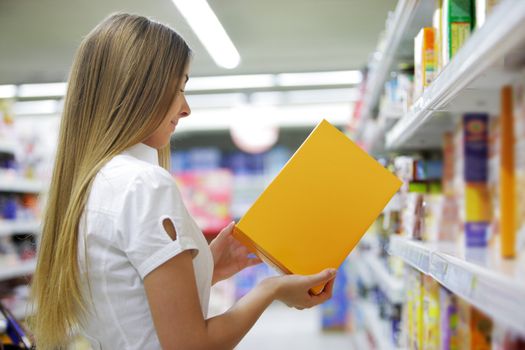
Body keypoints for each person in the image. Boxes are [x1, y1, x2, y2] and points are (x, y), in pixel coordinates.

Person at [30, 13, 336, 350]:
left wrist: (207, 268)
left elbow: (128, 299)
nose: (186, 107)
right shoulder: (144, 184)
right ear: (138, 89)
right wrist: (271, 289)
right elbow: (190, 345)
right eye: (178, 88)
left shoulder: (90, 184)